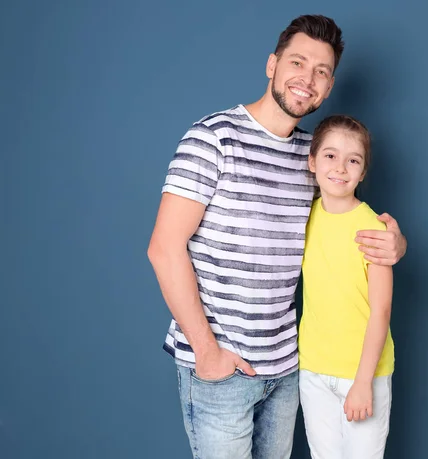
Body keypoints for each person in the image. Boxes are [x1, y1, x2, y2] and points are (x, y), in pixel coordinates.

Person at [147, 15, 406, 459]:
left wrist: (394, 243)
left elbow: (344, 222)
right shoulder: (212, 139)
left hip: (287, 371)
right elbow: (164, 250)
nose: (307, 79)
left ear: (329, 86)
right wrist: (208, 354)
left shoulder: (312, 158)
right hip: (221, 372)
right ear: (272, 65)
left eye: (321, 71)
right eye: (298, 62)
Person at [299, 115, 394, 459]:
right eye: (330, 156)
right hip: (313, 371)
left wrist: (363, 383)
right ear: (312, 161)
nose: (340, 168)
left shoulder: (373, 230)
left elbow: (381, 311)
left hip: (363, 374)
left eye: (353, 160)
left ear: (363, 171)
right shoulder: (303, 218)